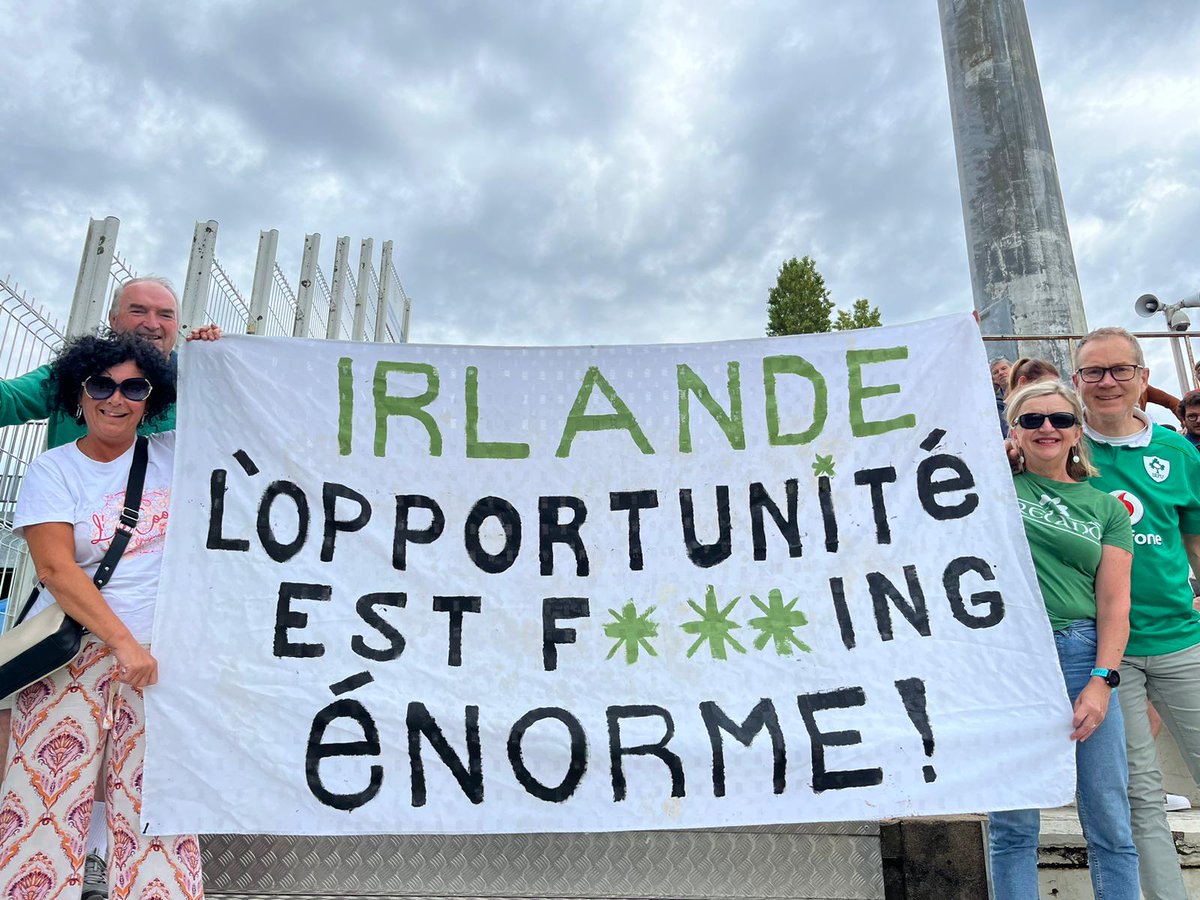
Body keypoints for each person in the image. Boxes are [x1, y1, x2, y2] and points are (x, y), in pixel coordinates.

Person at [0, 276, 216, 897]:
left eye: (133, 387)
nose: (117, 397)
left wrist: (219, 361)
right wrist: (124, 643)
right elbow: (56, 569)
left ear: (154, 396)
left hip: (161, 653)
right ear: (75, 394)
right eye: (101, 386)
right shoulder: (52, 469)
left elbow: (252, 421)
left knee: (159, 797)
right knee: (45, 796)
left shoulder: (178, 451)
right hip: (76, 646)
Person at [988, 381, 1138, 898]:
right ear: (1014, 431)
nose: (1046, 428)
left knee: (1110, 820)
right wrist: (992, 465)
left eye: (1058, 419)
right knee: (1011, 827)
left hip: (1080, 652)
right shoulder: (988, 486)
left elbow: (1116, 604)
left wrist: (1102, 680)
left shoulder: (1107, 508)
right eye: (1031, 421)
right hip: (1008, 658)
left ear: (1078, 430)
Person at [1072, 326, 1200, 900]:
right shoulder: (1063, 448)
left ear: (1143, 379)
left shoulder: (1177, 451)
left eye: (1120, 369)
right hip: (1107, 654)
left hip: (1181, 642)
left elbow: (1195, 542)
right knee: (1141, 797)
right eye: (1093, 372)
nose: (1107, 382)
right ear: (1077, 382)